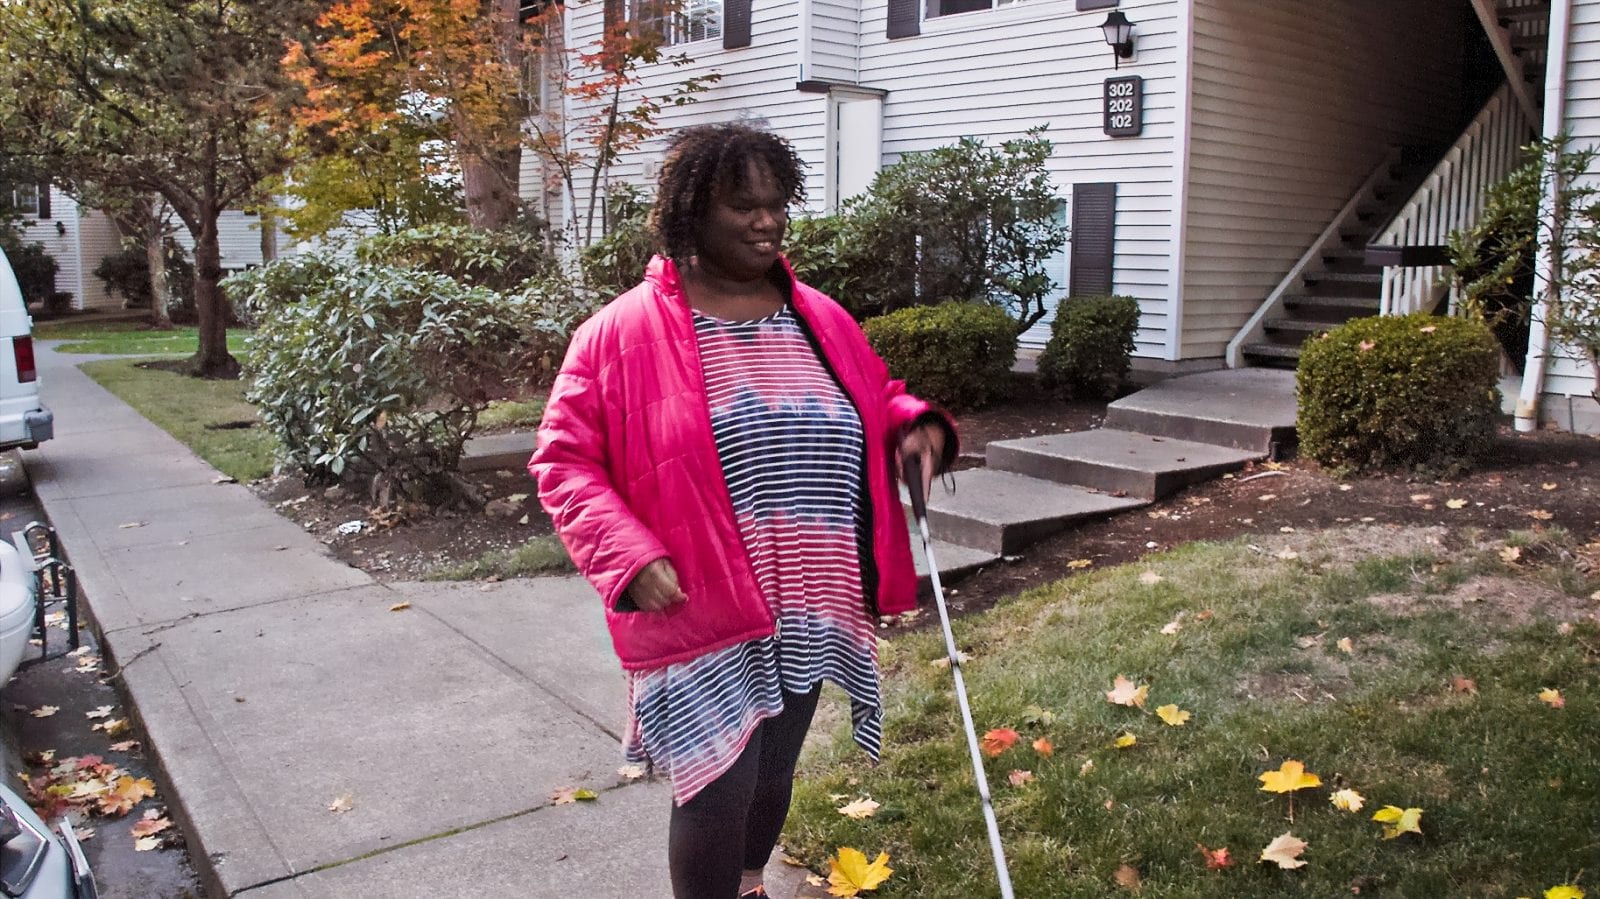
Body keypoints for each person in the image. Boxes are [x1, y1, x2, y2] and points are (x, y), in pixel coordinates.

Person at [529, 122, 957, 898]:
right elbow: (563, 462)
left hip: (813, 589)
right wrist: (626, 556)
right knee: (716, 780)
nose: (766, 221)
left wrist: (913, 426)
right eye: (742, 205)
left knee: (772, 772)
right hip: (700, 596)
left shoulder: (819, 316)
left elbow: (872, 397)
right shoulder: (618, 334)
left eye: (776, 203)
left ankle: (751, 885)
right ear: (692, 212)